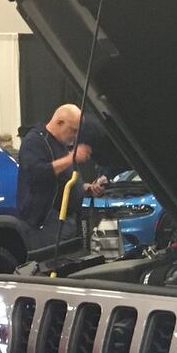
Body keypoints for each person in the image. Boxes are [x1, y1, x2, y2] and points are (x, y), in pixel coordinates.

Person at [16, 103, 107, 247]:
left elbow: (65, 180)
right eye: (73, 130)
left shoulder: (62, 145)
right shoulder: (35, 141)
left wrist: (87, 188)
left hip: (67, 221)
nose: (75, 135)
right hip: (46, 224)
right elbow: (35, 174)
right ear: (59, 122)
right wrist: (71, 158)